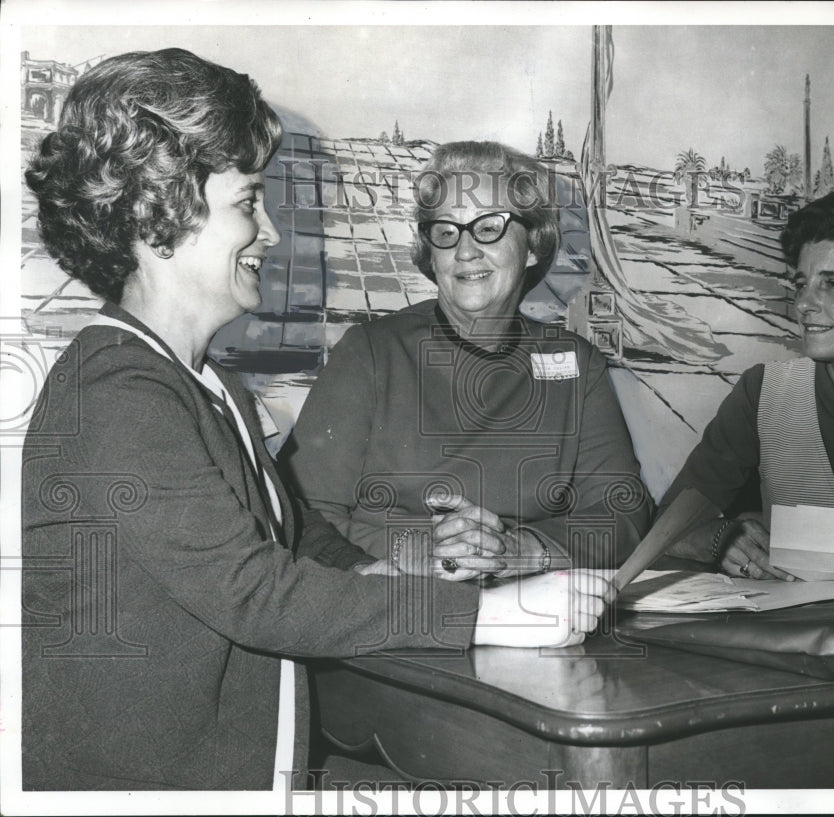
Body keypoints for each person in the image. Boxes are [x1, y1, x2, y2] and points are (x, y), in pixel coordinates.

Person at [20, 49, 612, 792]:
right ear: (156, 210)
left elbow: (299, 535)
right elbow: (255, 592)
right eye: (247, 203)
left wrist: (383, 571)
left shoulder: (206, 384)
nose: (269, 231)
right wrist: (497, 615)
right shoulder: (116, 388)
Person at [281, 141, 652, 582]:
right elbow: (295, 511)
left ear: (532, 245)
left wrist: (522, 550)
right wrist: (413, 553)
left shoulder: (575, 364)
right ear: (431, 255)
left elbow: (624, 513)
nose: (466, 250)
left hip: (526, 608)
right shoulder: (371, 353)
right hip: (394, 599)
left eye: (489, 227)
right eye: (446, 231)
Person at [615, 187, 834, 596]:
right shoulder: (762, 392)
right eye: (801, 283)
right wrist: (722, 541)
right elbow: (668, 529)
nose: (803, 303)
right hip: (788, 637)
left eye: (832, 283)